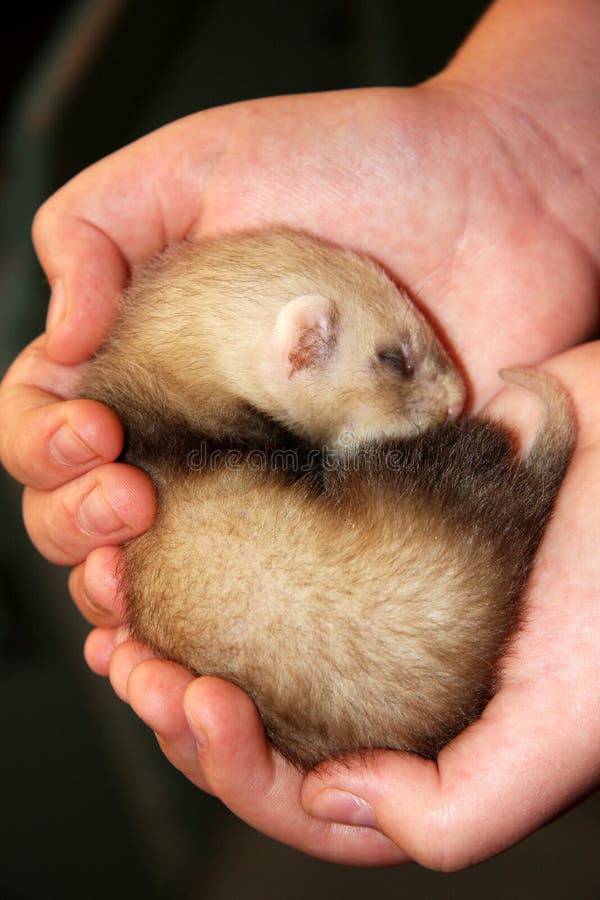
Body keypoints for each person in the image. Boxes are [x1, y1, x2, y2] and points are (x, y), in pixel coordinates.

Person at [1, 0, 599, 869]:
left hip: (405, 606)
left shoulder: (159, 433)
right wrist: (515, 137)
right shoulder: (211, 431)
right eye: (398, 360)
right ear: (298, 348)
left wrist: (516, 143)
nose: (445, 389)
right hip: (420, 596)